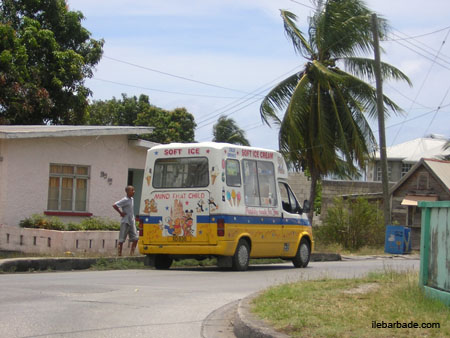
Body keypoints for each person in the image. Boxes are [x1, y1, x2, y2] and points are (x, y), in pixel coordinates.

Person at [113, 185, 138, 256]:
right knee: (121, 239)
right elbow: (115, 205)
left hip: (131, 221)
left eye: (134, 190)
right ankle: (119, 255)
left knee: (135, 238)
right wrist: (121, 213)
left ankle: (131, 254)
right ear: (127, 191)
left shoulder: (132, 199)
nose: (134, 192)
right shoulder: (125, 199)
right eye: (132, 190)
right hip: (125, 221)